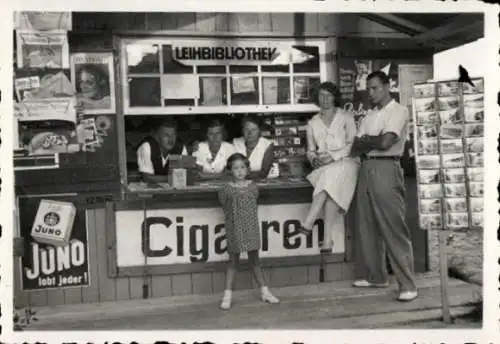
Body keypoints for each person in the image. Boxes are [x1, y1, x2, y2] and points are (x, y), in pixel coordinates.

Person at [349, 71, 418, 302]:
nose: (371, 92)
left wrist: (371, 141)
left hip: (388, 167)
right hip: (366, 168)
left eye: (375, 88)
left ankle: (408, 284)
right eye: (368, 88)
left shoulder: (399, 111)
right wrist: (373, 140)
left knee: (393, 226)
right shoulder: (369, 114)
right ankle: (376, 276)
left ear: (387, 86)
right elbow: (356, 146)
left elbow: (387, 141)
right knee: (366, 224)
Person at [296, 82, 360, 253]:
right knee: (330, 188)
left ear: (335, 97)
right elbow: (310, 150)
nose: (325, 99)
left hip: (347, 162)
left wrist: (332, 156)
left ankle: (309, 220)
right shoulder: (313, 123)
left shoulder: (346, 116)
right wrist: (313, 158)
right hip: (325, 167)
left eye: (329, 95)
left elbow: (353, 145)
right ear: (317, 98)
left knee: (329, 177)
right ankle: (327, 240)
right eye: (321, 95)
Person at [217, 153, 280, 310]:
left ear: (247, 169)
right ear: (230, 170)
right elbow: (224, 204)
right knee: (233, 260)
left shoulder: (253, 186)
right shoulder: (226, 189)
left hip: (251, 226)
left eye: (242, 167)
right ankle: (227, 295)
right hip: (234, 227)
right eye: (235, 168)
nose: (239, 171)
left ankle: (265, 291)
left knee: (255, 260)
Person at [136, 119, 188, 183]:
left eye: (173, 135)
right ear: (157, 137)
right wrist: (171, 178)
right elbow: (147, 178)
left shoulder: (181, 148)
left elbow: (185, 175)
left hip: (173, 191)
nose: (170, 140)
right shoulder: (146, 147)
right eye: (166, 135)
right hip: (148, 191)